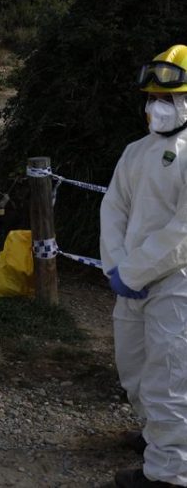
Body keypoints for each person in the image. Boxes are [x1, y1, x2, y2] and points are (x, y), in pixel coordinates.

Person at [100, 44, 187, 488]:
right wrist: (117, 267)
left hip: (177, 284)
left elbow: (183, 232)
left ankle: (169, 474)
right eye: (153, 98)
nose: (158, 107)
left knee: (168, 379)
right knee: (134, 370)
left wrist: (133, 272)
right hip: (131, 281)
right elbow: (113, 208)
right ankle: (158, 438)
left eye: (169, 99)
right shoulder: (136, 152)